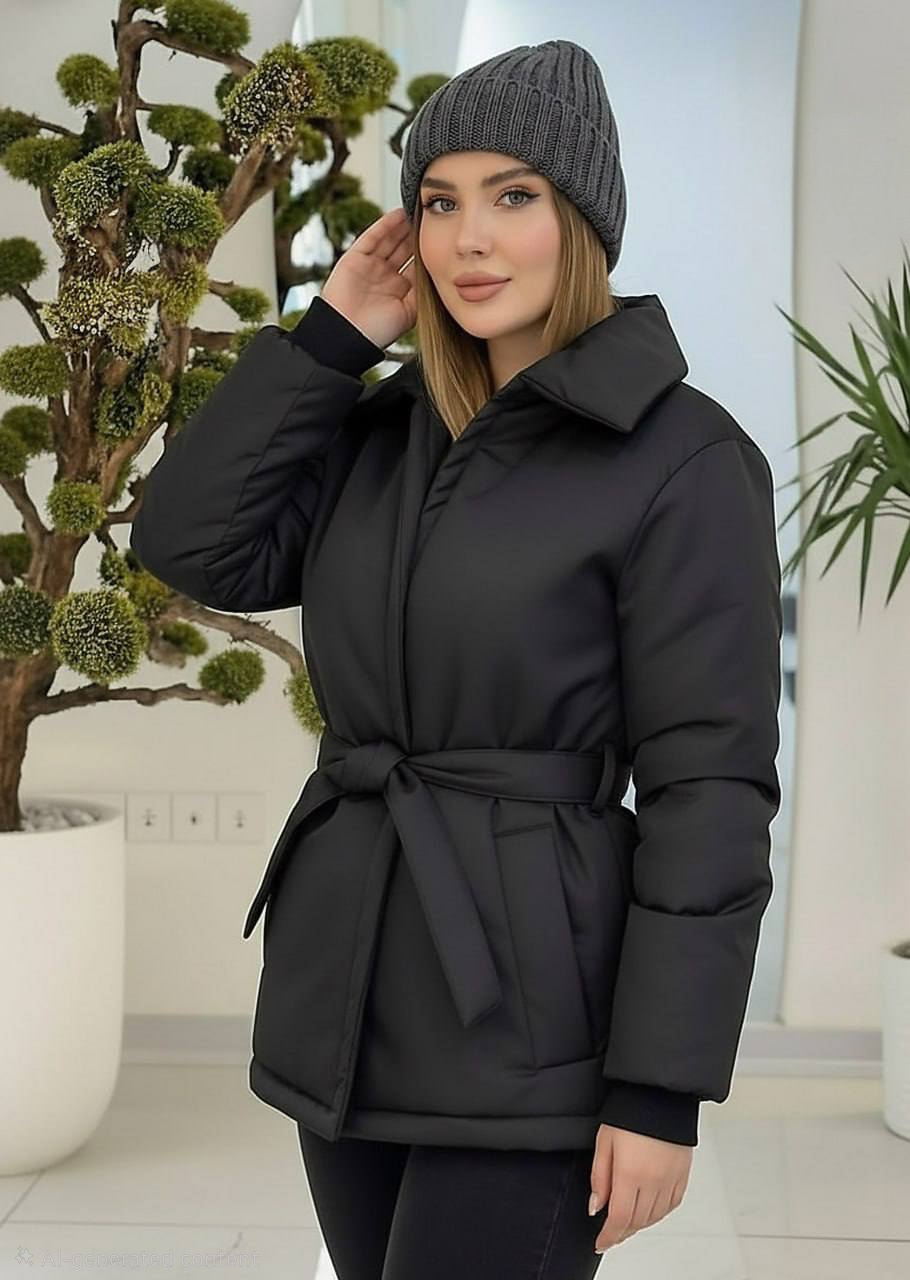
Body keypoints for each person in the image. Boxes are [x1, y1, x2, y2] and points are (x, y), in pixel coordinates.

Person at [129, 38, 782, 1280]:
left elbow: (709, 786)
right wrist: (331, 340)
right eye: (439, 201)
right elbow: (193, 547)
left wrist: (660, 1087)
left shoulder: (684, 459)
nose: (469, 238)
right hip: (350, 1005)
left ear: (581, 220)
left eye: (512, 195)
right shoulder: (382, 431)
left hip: (533, 1020)